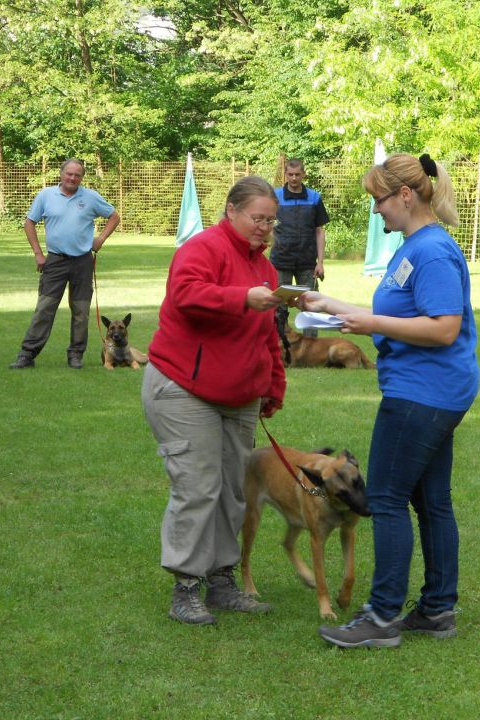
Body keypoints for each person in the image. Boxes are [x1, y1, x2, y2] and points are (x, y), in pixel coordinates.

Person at [302, 153, 479, 649]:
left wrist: (372, 324)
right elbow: (398, 312)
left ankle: (381, 618)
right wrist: (332, 307)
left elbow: (444, 328)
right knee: (430, 500)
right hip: (430, 390)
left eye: (379, 199)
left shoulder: (434, 252)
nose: (375, 210)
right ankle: (438, 610)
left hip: (423, 394)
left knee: (385, 499)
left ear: (405, 195)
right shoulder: (413, 246)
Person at [142, 175, 287, 626]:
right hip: (183, 387)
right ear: (231, 211)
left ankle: (222, 581)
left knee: (232, 490)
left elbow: (267, 337)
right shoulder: (202, 248)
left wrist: (273, 384)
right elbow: (185, 295)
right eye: (257, 218)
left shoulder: (266, 270)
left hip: (238, 395)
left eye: (271, 220)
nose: (265, 227)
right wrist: (242, 297)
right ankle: (186, 586)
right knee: (198, 485)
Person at [8, 159, 120, 369]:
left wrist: (100, 240)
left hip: (83, 262)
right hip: (55, 261)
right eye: (69, 173)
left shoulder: (90, 197)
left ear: (82, 178)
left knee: (80, 311)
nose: (72, 178)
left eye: (77, 175)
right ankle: (27, 355)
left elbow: (114, 216)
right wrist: (38, 253)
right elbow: (29, 222)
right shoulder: (46, 196)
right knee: (44, 309)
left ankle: (75, 355)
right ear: (61, 173)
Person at [270, 159, 330, 335]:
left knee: (310, 305)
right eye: (290, 174)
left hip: (307, 261)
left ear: (303, 174)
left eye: (297, 174)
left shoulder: (314, 197)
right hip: (281, 260)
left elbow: (320, 231)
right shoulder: (275, 197)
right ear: (285, 175)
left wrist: (321, 262)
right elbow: (268, 224)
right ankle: (279, 343)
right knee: (278, 305)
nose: (294, 178)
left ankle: (311, 349)